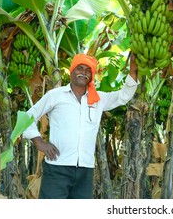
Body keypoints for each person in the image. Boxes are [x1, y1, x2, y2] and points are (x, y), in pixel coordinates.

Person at [22, 53, 138, 199]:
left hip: (85, 170)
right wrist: (38, 141)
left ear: (91, 75)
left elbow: (123, 96)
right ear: (71, 71)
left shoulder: (98, 99)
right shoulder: (55, 96)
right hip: (58, 168)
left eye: (88, 70)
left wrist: (133, 71)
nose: (83, 72)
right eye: (79, 68)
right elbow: (28, 117)